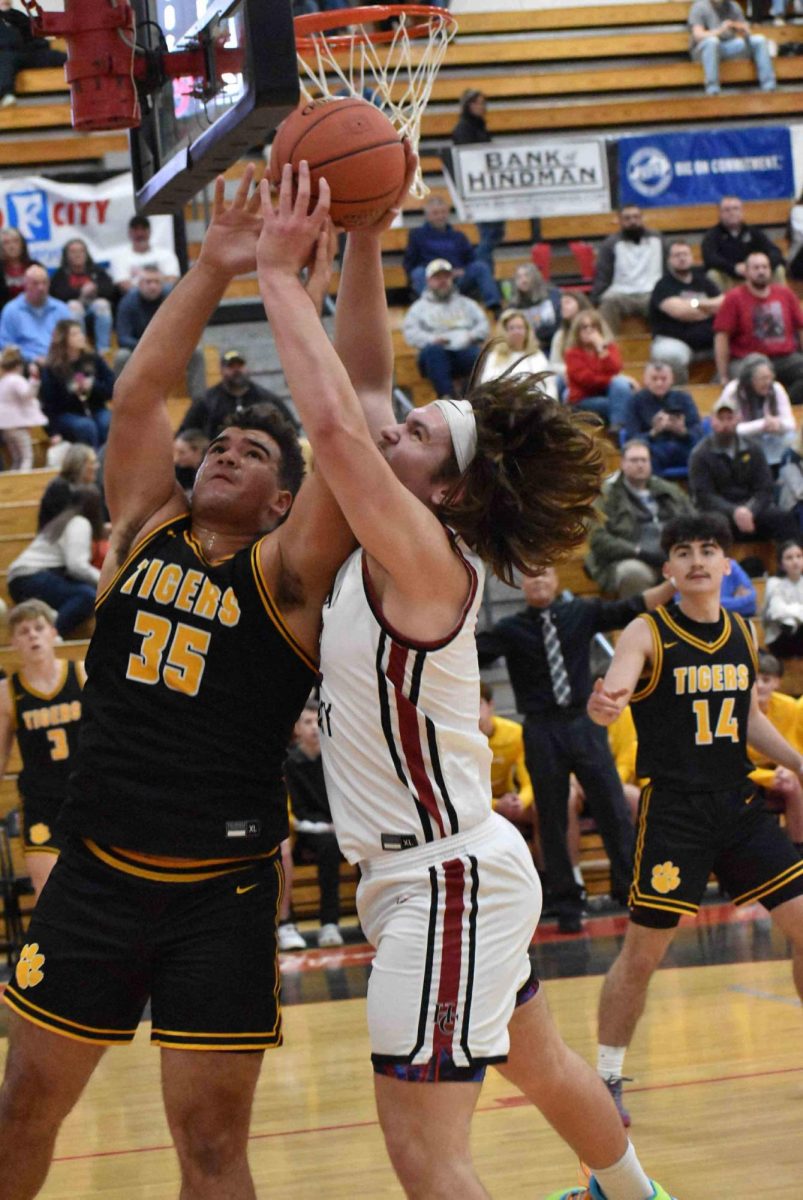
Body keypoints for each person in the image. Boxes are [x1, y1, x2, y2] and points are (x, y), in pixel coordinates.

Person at [256, 161, 676, 1200]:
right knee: (537, 1064)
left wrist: (274, 274)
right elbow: (357, 387)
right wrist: (362, 239)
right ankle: (632, 1194)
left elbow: (336, 422)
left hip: (441, 880)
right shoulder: (394, 533)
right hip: (451, 873)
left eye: (417, 435)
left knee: (424, 1154)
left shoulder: (426, 557)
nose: (393, 423)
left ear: (445, 490)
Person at [0, 165, 360, 1200]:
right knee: (24, 1105)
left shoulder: (288, 575)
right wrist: (211, 263)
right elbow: (136, 396)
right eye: (218, 443)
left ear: (281, 497)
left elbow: (339, 441)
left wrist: (302, 291)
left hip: (223, 894)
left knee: (209, 1153)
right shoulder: (147, 529)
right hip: (96, 874)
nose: (224, 451)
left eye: (253, 450)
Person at [588, 511, 803, 1129]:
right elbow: (616, 693)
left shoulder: (742, 629)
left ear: (728, 563)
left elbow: (748, 720)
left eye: (710, 550)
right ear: (669, 568)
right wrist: (606, 703)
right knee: (642, 955)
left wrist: (796, 760)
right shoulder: (646, 631)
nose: (698, 561)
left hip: (736, 804)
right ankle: (605, 1076)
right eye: (684, 552)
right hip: (674, 812)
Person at [478, 564, 676, 934]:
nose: (538, 579)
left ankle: (629, 890)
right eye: (531, 574)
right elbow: (472, 652)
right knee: (551, 816)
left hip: (584, 723)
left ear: (556, 580)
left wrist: (673, 584)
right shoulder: (510, 629)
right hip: (540, 728)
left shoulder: (579, 612)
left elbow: (631, 606)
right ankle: (566, 900)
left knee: (613, 806)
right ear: (522, 584)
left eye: (545, 573)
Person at [0, 600, 84, 898]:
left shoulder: (82, 674)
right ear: (13, 643)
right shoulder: (8, 693)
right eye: (24, 631)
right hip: (42, 804)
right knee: (49, 895)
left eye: (38, 628)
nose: (33, 636)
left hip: (88, 796)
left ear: (53, 633)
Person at [586, 439, 694, 597]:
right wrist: (639, 552)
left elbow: (694, 520)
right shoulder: (606, 494)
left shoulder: (669, 489)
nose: (640, 464)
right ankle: (641, 620)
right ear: (622, 463)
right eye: (634, 460)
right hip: (630, 557)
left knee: (705, 563)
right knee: (634, 573)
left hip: (672, 554)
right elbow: (598, 538)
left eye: (644, 460)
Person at [689, 392, 797, 542]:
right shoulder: (700, 454)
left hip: (751, 508)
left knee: (783, 517)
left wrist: (750, 510)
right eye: (721, 418)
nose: (726, 424)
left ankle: (790, 561)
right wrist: (734, 511)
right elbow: (704, 496)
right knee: (714, 524)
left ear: (738, 419)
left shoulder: (753, 449)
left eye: (730, 418)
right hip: (719, 511)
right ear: (712, 421)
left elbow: (765, 488)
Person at [6, 484, 103, 638]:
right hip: (32, 577)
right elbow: (76, 566)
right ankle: (53, 636)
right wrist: (105, 580)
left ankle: (51, 627)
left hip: (19, 579)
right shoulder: (79, 523)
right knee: (87, 596)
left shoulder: (61, 521)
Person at [284, 700, 344, 949]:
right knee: (327, 846)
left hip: (336, 829)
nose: (314, 727)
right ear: (297, 728)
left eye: (318, 721)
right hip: (303, 834)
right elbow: (296, 815)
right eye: (307, 722)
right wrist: (324, 827)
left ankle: (367, 919)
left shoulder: (335, 760)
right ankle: (322, 923)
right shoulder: (289, 763)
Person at [713, 250, 803, 405]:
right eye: (756, 268)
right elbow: (722, 336)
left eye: (764, 267)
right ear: (746, 272)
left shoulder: (785, 294)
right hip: (747, 359)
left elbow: (801, 328)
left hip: (784, 357)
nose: (761, 271)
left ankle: (783, 405)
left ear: (770, 270)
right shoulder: (734, 298)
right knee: (746, 379)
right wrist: (723, 375)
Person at [401, 258, 489, 399]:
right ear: (429, 281)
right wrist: (431, 339)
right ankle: (447, 396)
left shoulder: (467, 304)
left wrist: (471, 336)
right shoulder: (418, 308)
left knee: (479, 354)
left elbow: (483, 325)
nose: (442, 281)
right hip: (435, 355)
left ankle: (470, 396)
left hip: (463, 349)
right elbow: (410, 333)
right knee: (433, 352)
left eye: (446, 276)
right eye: (437, 277)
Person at [402, 194, 502, 310]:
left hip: (457, 280)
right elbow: (409, 264)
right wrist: (436, 274)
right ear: (427, 215)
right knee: (417, 273)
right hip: (431, 280)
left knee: (480, 267)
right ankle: (431, 306)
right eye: (435, 213)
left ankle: (494, 306)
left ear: (448, 213)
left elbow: (471, 260)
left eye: (443, 212)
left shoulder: (458, 236)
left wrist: (459, 271)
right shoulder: (417, 235)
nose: (440, 216)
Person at [750, 650, 803, 852]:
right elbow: (733, 761)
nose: (761, 685)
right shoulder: (734, 708)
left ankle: (797, 851)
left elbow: (793, 746)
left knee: (791, 782)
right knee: (789, 782)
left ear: (777, 682)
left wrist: (785, 767)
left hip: (780, 773)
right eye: (755, 680)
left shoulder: (789, 707)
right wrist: (769, 776)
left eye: (766, 679)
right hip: (748, 775)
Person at [648, 240, 723, 383]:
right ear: (669, 260)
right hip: (673, 340)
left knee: (738, 347)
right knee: (670, 357)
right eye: (677, 255)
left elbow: (723, 303)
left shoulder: (705, 282)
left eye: (685, 254)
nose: (682, 258)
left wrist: (695, 304)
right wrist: (708, 308)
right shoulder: (663, 285)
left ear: (692, 257)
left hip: (709, 341)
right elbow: (681, 312)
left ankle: (715, 390)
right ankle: (678, 397)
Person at [179, 348, 298, 437]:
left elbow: (292, 429)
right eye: (231, 366)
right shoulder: (206, 401)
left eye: (240, 365)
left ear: (247, 367)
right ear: (221, 370)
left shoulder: (267, 399)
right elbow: (186, 433)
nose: (236, 370)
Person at [450, 89, 505, 271]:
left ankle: (484, 272)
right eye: (476, 103)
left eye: (482, 103)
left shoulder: (479, 126)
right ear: (467, 105)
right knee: (488, 235)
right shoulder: (464, 128)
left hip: (488, 187)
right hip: (478, 189)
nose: (481, 107)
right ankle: (481, 271)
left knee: (495, 233)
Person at [39, 319, 114, 449]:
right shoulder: (51, 368)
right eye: (75, 334)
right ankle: (93, 465)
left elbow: (111, 388)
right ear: (63, 339)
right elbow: (48, 404)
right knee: (86, 427)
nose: (81, 337)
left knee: (108, 421)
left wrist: (93, 385)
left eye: (80, 333)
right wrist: (53, 432)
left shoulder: (93, 358)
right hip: (67, 414)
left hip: (96, 408)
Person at [622, 360, 703, 478]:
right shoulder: (635, 401)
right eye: (654, 379)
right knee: (645, 459)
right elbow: (631, 438)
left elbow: (698, 431)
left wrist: (682, 431)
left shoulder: (684, 398)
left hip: (682, 445)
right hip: (653, 448)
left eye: (664, 379)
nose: (659, 383)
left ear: (672, 379)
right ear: (646, 380)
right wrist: (653, 432)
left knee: (703, 455)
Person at [590, 206, 664, 334]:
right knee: (608, 301)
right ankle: (607, 345)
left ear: (642, 219)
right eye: (627, 218)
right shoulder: (610, 243)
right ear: (620, 221)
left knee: (664, 301)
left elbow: (668, 265)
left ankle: (663, 343)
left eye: (636, 217)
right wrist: (594, 300)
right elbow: (603, 275)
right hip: (621, 293)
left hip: (651, 292)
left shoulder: (657, 239)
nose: (633, 221)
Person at [715, 352, 796, 468]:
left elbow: (791, 424)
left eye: (770, 378)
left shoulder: (776, 389)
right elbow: (727, 428)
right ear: (749, 379)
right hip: (741, 443)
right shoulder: (733, 391)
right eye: (763, 379)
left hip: (771, 441)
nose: (768, 383)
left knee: (791, 438)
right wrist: (762, 424)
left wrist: (778, 424)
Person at [478, 681, 534, 832]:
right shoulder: (456, 740)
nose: (473, 713)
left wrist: (520, 801)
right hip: (476, 805)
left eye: (478, 704)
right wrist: (495, 805)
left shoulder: (515, 733)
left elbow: (529, 781)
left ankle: (546, 856)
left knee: (542, 809)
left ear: (491, 705)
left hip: (507, 798)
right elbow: (461, 794)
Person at [564, 309, 633, 428]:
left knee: (620, 385)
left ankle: (617, 428)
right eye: (584, 327)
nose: (589, 331)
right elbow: (587, 380)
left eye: (593, 327)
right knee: (621, 401)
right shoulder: (572, 353)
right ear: (577, 332)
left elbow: (616, 368)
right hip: (583, 399)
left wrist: (601, 349)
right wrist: (611, 380)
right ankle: (619, 430)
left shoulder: (609, 348)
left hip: (608, 394)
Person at [688, 0, 776, 93]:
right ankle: (712, 88)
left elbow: (746, 30)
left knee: (759, 40)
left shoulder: (733, 6)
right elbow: (698, 35)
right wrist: (719, 31)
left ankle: (769, 86)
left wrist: (735, 26)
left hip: (727, 46)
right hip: (703, 50)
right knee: (712, 42)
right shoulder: (699, 6)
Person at [702, 195, 784, 289]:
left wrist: (760, 266)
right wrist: (734, 268)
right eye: (727, 210)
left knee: (779, 270)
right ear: (720, 214)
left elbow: (775, 251)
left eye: (735, 209)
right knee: (712, 274)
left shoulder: (753, 232)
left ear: (742, 212)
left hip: (756, 275)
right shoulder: (712, 235)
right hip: (728, 277)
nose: (732, 213)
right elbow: (710, 258)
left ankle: (781, 301)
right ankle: (721, 303)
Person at [49, 238, 115, 355]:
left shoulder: (96, 270)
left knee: (102, 304)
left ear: (86, 253)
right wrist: (81, 293)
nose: (78, 255)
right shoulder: (60, 274)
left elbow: (110, 289)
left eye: (81, 251)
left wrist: (96, 289)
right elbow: (58, 295)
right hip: (74, 312)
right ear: (66, 255)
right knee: (74, 306)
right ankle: (81, 349)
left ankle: (104, 351)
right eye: (73, 252)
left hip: (93, 310)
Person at [477, 308, 558, 399]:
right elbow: (487, 383)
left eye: (520, 328)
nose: (516, 332)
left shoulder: (537, 356)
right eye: (511, 328)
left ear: (527, 331)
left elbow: (550, 385)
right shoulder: (495, 357)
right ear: (504, 331)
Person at [0, 265, 72, 365]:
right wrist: (32, 359)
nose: (41, 287)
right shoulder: (12, 310)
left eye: (44, 283)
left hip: (59, 363)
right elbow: (6, 347)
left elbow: (71, 340)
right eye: (35, 283)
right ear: (25, 285)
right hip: (25, 364)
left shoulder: (61, 309)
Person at [0, 0, 65, 108]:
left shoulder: (18, 16)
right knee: (5, 60)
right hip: (7, 56)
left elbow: (38, 39)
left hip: (28, 53)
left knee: (59, 57)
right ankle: (6, 94)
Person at [109, 213, 180, 295]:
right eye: (136, 230)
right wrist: (147, 288)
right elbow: (123, 284)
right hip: (136, 296)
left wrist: (150, 283)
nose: (140, 234)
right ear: (130, 233)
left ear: (149, 232)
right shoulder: (120, 257)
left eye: (143, 229)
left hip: (162, 293)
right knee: (132, 294)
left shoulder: (166, 254)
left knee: (169, 289)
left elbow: (173, 279)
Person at [0, 343, 46, 469]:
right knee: (27, 457)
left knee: (16, 458)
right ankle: (24, 480)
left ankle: (13, 481)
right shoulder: (16, 380)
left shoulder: (3, 381)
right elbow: (27, 395)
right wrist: (34, 379)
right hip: (18, 426)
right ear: (19, 366)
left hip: (5, 427)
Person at [501, 262, 562, 352]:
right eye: (519, 277)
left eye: (527, 275)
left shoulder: (553, 295)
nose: (523, 280)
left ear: (535, 277)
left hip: (554, 344)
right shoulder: (514, 305)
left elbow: (560, 322)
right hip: (527, 347)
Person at [37, 442, 97, 530]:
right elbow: (70, 527)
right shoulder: (59, 489)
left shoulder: (88, 489)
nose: (95, 467)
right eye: (91, 463)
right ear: (80, 465)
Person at [763, 538, 803, 656]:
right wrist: (799, 611)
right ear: (781, 564)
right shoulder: (774, 583)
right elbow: (776, 612)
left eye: (799, 556)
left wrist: (794, 614)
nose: (795, 561)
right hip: (780, 637)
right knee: (788, 624)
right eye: (789, 558)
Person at [0, 227, 37, 309]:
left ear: (22, 244)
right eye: (6, 243)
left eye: (16, 241)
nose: (12, 246)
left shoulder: (35, 266)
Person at [172, 427, 208, 497]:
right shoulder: (180, 470)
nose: (176, 459)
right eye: (175, 452)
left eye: (182, 453)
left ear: (197, 451)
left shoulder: (208, 474)